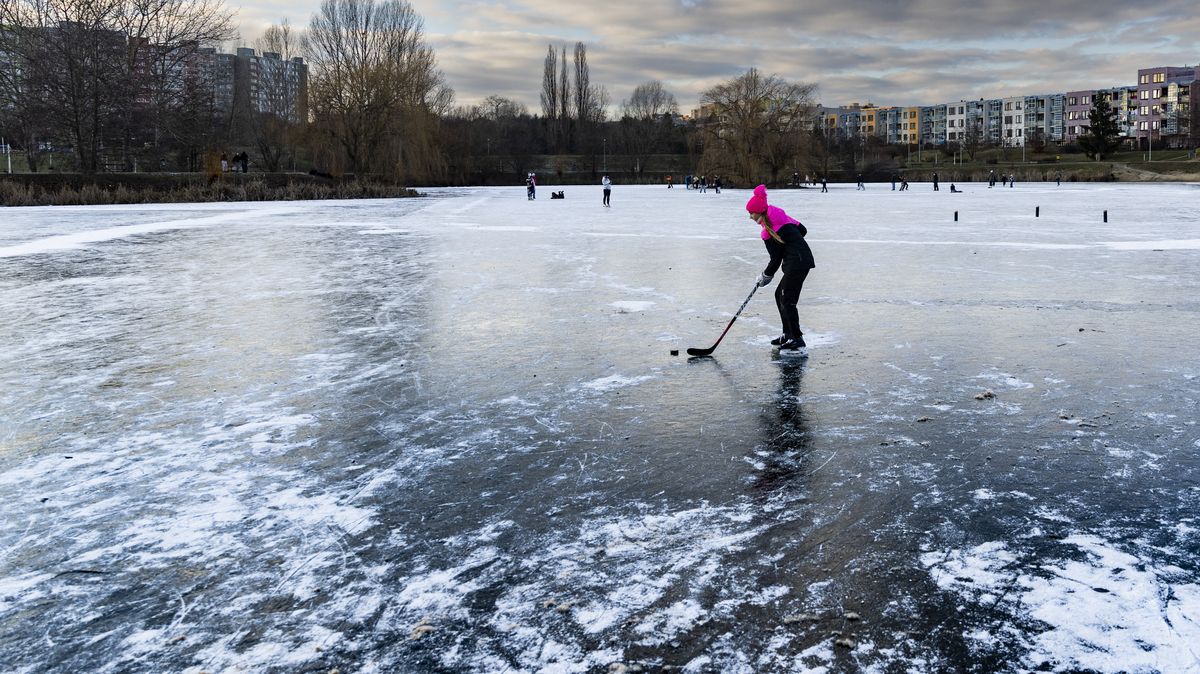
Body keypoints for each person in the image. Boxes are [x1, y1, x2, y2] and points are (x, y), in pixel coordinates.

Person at [745, 185, 815, 356]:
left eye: (752, 213)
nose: (750, 217)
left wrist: (765, 276)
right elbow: (802, 230)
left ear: (760, 213)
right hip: (800, 260)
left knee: (787, 299)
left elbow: (775, 260)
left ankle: (796, 339)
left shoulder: (768, 233)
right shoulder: (782, 217)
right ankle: (787, 334)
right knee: (780, 295)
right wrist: (790, 244)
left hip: (797, 263)